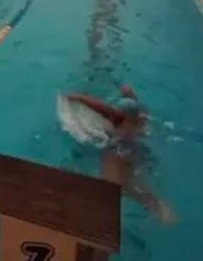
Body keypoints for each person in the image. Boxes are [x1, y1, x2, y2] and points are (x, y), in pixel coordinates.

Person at [64, 86, 176, 223]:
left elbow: (98, 106)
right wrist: (131, 95)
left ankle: (99, 215)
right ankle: (159, 208)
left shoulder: (118, 118)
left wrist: (77, 97)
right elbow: (137, 107)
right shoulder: (140, 120)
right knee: (132, 184)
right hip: (136, 150)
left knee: (111, 184)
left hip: (116, 149)